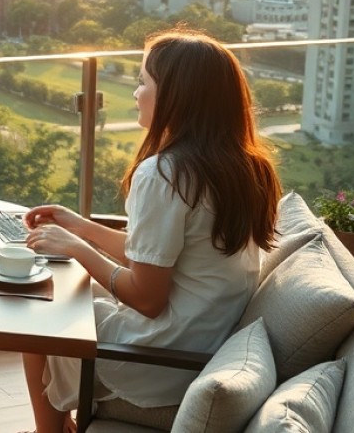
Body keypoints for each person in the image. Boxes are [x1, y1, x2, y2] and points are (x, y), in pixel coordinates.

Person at [19, 30, 281, 433]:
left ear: (176, 97)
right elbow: (158, 256)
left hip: (163, 360)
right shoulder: (242, 167)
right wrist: (81, 226)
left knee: (42, 309)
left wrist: (77, 249)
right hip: (202, 339)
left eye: (143, 82)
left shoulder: (166, 174)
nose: (136, 93)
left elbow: (148, 297)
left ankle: (48, 431)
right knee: (69, 290)